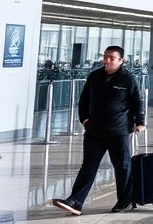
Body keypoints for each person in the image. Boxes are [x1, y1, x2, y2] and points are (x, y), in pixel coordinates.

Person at [52, 46, 145, 216]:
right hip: (94, 131)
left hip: (118, 131)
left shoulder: (128, 79)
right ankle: (75, 201)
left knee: (122, 166)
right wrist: (84, 120)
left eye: (112, 58)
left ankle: (124, 200)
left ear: (121, 61)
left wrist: (140, 121)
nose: (107, 60)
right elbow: (84, 99)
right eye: (105, 57)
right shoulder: (95, 76)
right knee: (88, 166)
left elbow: (137, 101)